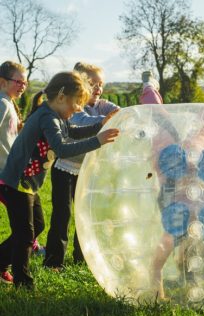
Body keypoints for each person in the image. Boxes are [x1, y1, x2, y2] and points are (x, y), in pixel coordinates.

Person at [0, 71, 119, 288]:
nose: (78, 109)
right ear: (62, 97)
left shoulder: (56, 116)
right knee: (25, 235)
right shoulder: (47, 116)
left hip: (27, 184)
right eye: (76, 104)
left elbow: (72, 131)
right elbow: (62, 148)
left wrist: (99, 126)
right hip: (17, 182)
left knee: (36, 225)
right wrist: (97, 141)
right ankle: (23, 283)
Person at [140, 71, 204, 300]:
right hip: (186, 161)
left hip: (173, 162)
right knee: (181, 126)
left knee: (202, 129)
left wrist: (159, 296)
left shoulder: (176, 233)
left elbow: (155, 267)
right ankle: (149, 90)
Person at [44, 62, 119, 269]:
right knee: (63, 215)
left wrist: (125, 115)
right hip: (65, 167)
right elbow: (84, 122)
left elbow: (120, 112)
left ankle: (81, 256)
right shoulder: (75, 104)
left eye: (100, 83)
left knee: (85, 214)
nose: (97, 88)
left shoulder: (102, 105)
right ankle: (53, 261)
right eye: (92, 83)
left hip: (87, 170)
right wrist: (108, 121)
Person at [0, 61, 27, 284]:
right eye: (18, 81)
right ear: (2, 82)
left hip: (10, 173)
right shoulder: (2, 103)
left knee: (25, 226)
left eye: (25, 82)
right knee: (25, 227)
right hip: (3, 176)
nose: (23, 86)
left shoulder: (8, 103)